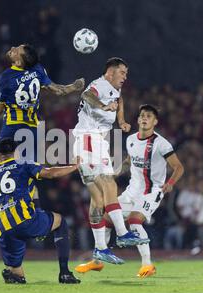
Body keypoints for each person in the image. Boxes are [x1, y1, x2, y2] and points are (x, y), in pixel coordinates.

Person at [75, 104, 184, 277]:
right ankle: (97, 261)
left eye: (149, 116)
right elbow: (128, 161)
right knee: (106, 218)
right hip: (132, 190)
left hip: (151, 191)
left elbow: (178, 167)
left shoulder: (161, 144)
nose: (144, 118)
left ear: (155, 122)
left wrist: (170, 183)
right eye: (142, 115)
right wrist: (115, 173)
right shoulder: (131, 139)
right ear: (138, 119)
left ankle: (147, 265)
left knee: (134, 220)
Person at [0, 138, 81, 284]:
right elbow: (51, 173)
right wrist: (75, 166)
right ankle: (65, 273)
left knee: (18, 275)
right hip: (26, 221)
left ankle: (14, 275)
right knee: (60, 221)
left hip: (4, 231)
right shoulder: (23, 165)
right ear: (16, 153)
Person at [0, 43, 84, 215]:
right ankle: (36, 211)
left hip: (12, 128)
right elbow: (57, 90)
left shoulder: (6, 77)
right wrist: (74, 86)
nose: (13, 48)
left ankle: (5, 208)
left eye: (17, 50)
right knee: (31, 171)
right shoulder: (38, 70)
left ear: (19, 61)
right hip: (33, 130)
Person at [72, 57, 147, 265]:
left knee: (97, 198)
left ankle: (100, 249)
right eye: (122, 72)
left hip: (95, 142)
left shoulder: (114, 89)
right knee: (109, 184)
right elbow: (87, 95)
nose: (125, 77)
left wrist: (121, 120)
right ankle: (122, 234)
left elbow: (119, 101)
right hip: (88, 139)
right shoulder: (100, 85)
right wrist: (103, 106)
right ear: (110, 72)